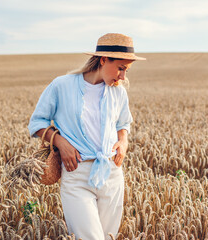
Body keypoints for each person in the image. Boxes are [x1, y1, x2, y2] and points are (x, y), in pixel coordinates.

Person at [27, 33, 146, 240]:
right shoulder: (61, 85)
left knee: (108, 236)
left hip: (112, 172)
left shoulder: (119, 92)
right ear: (103, 60)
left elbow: (123, 123)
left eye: (126, 70)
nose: (123, 77)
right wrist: (61, 143)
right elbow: (37, 123)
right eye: (120, 68)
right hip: (77, 173)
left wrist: (123, 141)